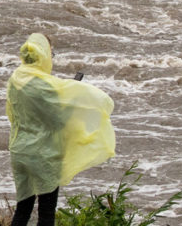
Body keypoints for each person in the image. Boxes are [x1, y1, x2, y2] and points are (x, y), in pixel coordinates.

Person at [6, 33, 115, 226]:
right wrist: (71, 103)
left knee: (22, 211)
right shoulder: (48, 86)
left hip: (19, 152)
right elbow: (58, 121)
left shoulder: (16, 78)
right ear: (44, 55)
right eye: (51, 54)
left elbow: (14, 114)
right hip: (43, 156)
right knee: (46, 214)